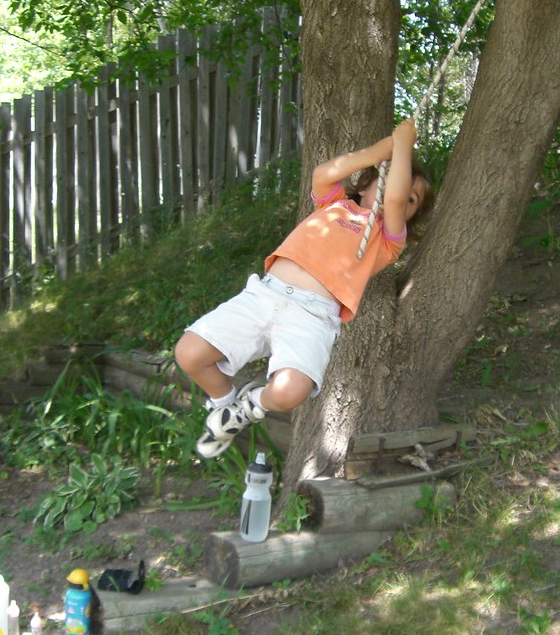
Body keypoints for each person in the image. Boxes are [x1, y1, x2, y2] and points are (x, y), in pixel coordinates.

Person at [175, 117, 434, 458]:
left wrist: (403, 147)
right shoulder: (335, 204)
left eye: (414, 200)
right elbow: (324, 173)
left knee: (287, 393)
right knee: (189, 354)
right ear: (370, 182)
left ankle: (252, 405)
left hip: (312, 316)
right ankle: (227, 409)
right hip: (265, 295)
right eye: (389, 178)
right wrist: (377, 152)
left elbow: (396, 200)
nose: (398, 193)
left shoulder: (387, 241)